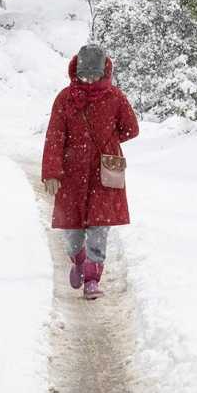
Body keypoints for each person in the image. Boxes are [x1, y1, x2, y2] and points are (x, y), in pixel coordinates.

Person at [42, 40, 137, 299]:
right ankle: (78, 259)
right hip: (72, 174)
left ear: (104, 71)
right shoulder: (65, 98)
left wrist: (108, 142)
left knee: (99, 227)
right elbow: (55, 135)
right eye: (85, 74)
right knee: (72, 231)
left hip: (102, 175)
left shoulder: (115, 97)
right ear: (77, 71)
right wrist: (51, 172)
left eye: (94, 74)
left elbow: (131, 128)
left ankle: (93, 278)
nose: (89, 79)